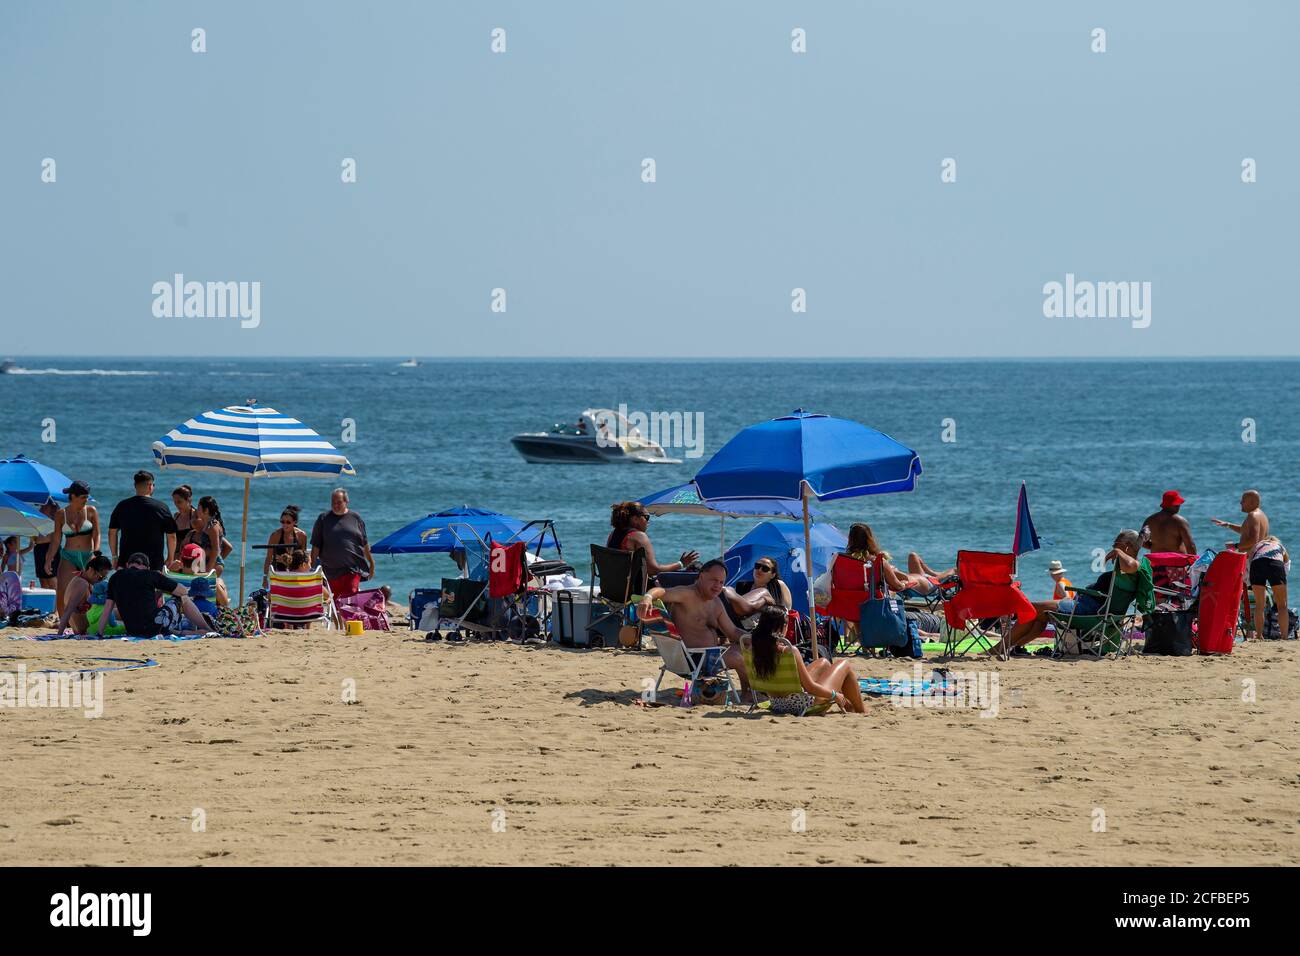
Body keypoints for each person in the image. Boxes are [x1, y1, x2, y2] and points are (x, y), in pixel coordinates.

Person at [998, 529, 1153, 655]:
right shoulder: (1126, 571)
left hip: (1088, 610)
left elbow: (1131, 565)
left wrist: (1118, 551)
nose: (1113, 547)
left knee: (1032, 607)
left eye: (1116, 544)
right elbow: (1130, 561)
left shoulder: (1132, 568)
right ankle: (1015, 647)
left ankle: (1000, 647)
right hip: (1090, 607)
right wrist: (1123, 549)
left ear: (1127, 546)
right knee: (1039, 616)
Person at [636, 560, 751, 698]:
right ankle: (749, 694)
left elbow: (733, 632)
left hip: (708, 657)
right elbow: (662, 592)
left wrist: (755, 638)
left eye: (721, 582)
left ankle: (750, 692)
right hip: (691, 661)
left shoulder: (716, 603)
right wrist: (648, 597)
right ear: (701, 576)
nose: (717, 586)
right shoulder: (687, 594)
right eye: (714, 580)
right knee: (737, 656)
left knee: (748, 647)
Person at [743, 606, 866, 714]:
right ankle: (861, 710)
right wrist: (835, 695)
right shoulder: (789, 651)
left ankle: (849, 705)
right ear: (783, 627)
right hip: (801, 705)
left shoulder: (753, 649)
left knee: (824, 663)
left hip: (776, 703)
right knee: (844, 664)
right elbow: (810, 687)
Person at [1211, 489, 1279, 639]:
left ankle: (1251, 632)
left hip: (1250, 561)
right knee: (1252, 596)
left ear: (1252, 502)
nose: (1240, 502)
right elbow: (1245, 531)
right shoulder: (1260, 515)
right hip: (1258, 559)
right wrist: (1228, 525)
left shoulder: (1253, 515)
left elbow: (1253, 540)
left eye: (1243, 500)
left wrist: (1235, 546)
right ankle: (1252, 631)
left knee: (1245, 596)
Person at [97, 552, 210, 637]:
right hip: (154, 628)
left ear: (128, 565)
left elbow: (107, 610)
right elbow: (183, 591)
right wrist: (164, 585)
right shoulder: (150, 575)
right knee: (183, 598)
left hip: (133, 631)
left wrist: (99, 634)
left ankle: (183, 632)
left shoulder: (115, 578)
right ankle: (207, 629)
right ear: (147, 567)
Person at [47, 480, 101, 616]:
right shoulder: (61, 514)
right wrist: (48, 560)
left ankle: (90, 619)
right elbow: (56, 540)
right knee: (62, 589)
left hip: (88, 556)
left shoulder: (91, 511)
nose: (86, 500)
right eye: (83, 497)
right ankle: (62, 621)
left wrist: (96, 553)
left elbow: (97, 534)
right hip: (68, 556)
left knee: (92, 590)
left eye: (87, 497)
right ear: (73, 496)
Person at [309, 488, 374, 598]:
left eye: (339, 502)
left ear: (346, 501)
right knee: (335, 601)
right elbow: (316, 546)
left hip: (352, 569)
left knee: (350, 598)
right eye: (333, 502)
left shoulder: (356, 518)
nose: (335, 505)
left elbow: (365, 543)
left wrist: (371, 563)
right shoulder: (323, 519)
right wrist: (312, 569)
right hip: (330, 571)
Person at [607, 502, 698, 578]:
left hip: (611, 588)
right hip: (632, 591)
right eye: (646, 517)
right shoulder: (639, 536)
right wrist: (681, 564)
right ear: (635, 519)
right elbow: (653, 570)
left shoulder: (613, 534)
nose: (648, 521)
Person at [108, 470, 177, 570]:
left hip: (127, 563)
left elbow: (112, 532)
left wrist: (114, 556)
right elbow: (171, 536)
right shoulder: (161, 507)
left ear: (135, 486)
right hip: (153, 565)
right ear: (150, 486)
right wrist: (170, 558)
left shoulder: (122, 506)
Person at [52, 553, 113, 635]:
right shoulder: (82, 584)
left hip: (83, 629)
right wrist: (59, 634)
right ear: (91, 569)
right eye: (100, 577)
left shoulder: (80, 579)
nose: (100, 581)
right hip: (85, 631)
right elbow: (68, 610)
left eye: (104, 578)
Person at [724, 556, 790, 628]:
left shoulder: (778, 585)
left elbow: (787, 611)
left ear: (772, 575)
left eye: (765, 568)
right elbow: (733, 608)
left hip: (768, 628)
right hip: (741, 626)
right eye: (757, 566)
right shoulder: (742, 586)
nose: (759, 570)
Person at [179, 495, 227, 576]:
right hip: (207, 562)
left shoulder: (213, 526)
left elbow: (215, 549)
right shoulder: (207, 524)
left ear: (206, 510)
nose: (197, 510)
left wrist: (208, 569)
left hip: (214, 564)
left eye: (199, 508)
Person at [1140, 490, 1197, 554]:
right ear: (1173, 505)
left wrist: (1156, 547)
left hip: (1156, 558)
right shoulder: (1180, 521)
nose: (1179, 506)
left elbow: (1142, 541)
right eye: (1177, 505)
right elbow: (1190, 546)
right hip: (1177, 558)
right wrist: (1194, 560)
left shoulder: (1149, 520)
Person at [262, 504, 308, 584]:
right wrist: (265, 577)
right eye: (282, 522)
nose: (285, 525)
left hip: (296, 572)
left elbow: (304, 558)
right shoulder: (275, 536)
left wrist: (286, 559)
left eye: (288, 522)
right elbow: (268, 558)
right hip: (279, 573)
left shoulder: (301, 536)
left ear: (295, 522)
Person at [32, 500, 61, 589]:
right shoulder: (40, 518)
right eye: (41, 507)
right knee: (43, 579)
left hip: (49, 547)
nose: (40, 509)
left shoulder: (54, 519)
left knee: (51, 579)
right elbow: (35, 537)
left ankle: (58, 598)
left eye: (43, 507)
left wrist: (50, 554)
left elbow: (56, 540)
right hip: (39, 548)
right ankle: (48, 597)